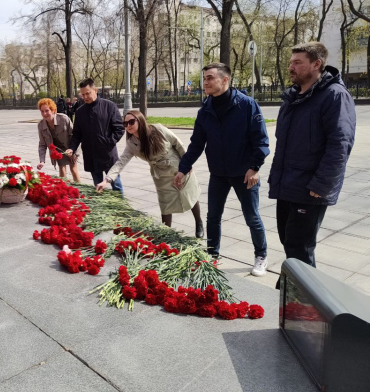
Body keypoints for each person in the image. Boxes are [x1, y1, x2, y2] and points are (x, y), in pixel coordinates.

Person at [269, 42, 356, 285]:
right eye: (290, 62)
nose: (291, 67)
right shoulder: (293, 97)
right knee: (289, 241)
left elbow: (340, 143)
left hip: (311, 188)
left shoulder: (334, 96)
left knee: (300, 246)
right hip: (287, 185)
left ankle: (305, 303)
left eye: (298, 62)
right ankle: (295, 291)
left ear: (316, 64)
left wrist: (323, 184)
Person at [173, 63, 271, 277]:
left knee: (252, 217)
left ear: (225, 80)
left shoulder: (247, 105)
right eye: (205, 78)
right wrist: (183, 169)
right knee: (213, 217)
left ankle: (261, 255)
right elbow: (197, 144)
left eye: (209, 78)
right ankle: (212, 255)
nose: (205, 82)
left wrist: (254, 167)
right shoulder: (205, 110)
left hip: (245, 173)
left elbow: (261, 140)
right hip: (218, 173)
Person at [96, 111, 204, 238]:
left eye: (131, 122)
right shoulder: (132, 143)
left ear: (140, 120)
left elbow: (177, 143)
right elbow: (121, 162)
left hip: (178, 168)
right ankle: (165, 234)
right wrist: (107, 180)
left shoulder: (157, 129)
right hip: (160, 175)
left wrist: (187, 165)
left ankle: (199, 222)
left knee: (190, 195)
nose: (128, 126)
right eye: (125, 123)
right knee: (165, 205)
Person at [66, 78, 124, 193]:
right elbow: (77, 134)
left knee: (116, 185)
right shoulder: (80, 112)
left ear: (95, 90)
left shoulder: (110, 106)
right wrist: (72, 148)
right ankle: (102, 207)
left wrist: (108, 143)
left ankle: (122, 209)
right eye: (83, 95)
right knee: (97, 186)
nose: (85, 97)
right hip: (91, 155)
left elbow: (119, 129)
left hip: (108, 154)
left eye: (88, 93)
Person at [36, 98, 81, 182]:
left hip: (70, 147)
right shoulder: (41, 125)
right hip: (57, 151)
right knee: (62, 171)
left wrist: (74, 151)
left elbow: (75, 136)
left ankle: (79, 190)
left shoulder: (64, 119)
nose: (44, 114)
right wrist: (42, 161)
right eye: (42, 111)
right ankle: (64, 190)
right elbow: (42, 144)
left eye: (47, 110)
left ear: (53, 110)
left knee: (74, 169)